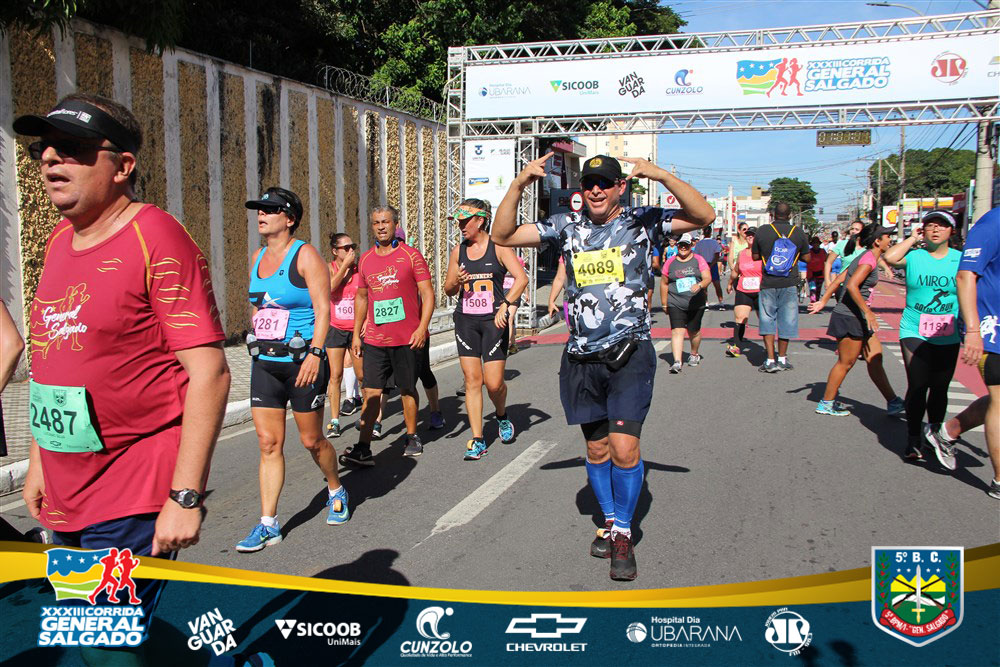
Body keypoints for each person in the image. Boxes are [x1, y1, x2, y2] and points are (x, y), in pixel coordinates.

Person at [15, 93, 230, 656]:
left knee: (100, 642)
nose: (51, 158)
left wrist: (185, 496)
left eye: (73, 148)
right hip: (68, 484)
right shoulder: (59, 242)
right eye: (45, 148)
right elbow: (52, 359)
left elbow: (210, 372)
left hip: (134, 484)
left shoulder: (156, 236)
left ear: (122, 166)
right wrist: (40, 459)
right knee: (89, 629)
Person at [492, 153, 714, 581]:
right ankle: (611, 521)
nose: (596, 189)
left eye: (605, 183)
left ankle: (623, 533)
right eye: (589, 183)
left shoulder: (643, 221)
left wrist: (660, 174)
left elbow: (703, 215)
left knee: (624, 449)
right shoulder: (565, 227)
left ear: (620, 188)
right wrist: (519, 183)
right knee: (596, 450)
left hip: (630, 352)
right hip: (581, 357)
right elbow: (502, 234)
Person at [238, 187, 349, 552]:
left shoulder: (305, 255)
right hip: (265, 364)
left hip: (302, 365)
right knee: (268, 443)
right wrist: (256, 330)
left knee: (311, 440)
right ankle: (268, 523)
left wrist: (316, 353)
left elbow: (323, 308)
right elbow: (258, 305)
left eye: (269, 210)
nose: (261, 215)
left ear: (289, 218)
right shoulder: (257, 257)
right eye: (259, 209)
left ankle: (336, 487)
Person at [342, 206, 435, 464]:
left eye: (385, 222)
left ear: (395, 224)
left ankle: (412, 435)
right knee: (371, 392)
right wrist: (356, 334)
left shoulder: (411, 256)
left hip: (406, 338)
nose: (381, 227)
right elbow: (362, 297)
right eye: (376, 223)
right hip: (375, 339)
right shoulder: (366, 260)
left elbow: (427, 294)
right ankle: (363, 447)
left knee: (407, 388)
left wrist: (422, 328)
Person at [444, 198, 528, 460]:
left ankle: (501, 416)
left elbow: (522, 279)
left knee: (493, 384)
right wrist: (456, 282)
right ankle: (477, 439)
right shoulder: (458, 252)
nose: (460, 226)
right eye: (458, 222)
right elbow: (448, 289)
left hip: (493, 322)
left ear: (480, 221)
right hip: (466, 321)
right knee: (472, 380)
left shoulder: (499, 247)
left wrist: (506, 304)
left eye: (464, 221)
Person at [882, 212, 962, 464]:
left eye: (942, 226)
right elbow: (889, 257)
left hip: (948, 332)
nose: (935, 230)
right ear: (922, 231)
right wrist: (912, 238)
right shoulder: (915, 256)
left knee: (940, 387)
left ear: (952, 231)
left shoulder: (960, 260)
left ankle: (935, 435)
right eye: (930, 226)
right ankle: (913, 438)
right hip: (914, 329)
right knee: (918, 385)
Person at [808, 222, 903, 417]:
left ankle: (893, 401)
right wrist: (867, 312)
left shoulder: (866, 257)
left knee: (875, 358)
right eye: (887, 237)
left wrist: (823, 301)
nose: (890, 240)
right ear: (877, 241)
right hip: (850, 316)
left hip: (857, 316)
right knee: (846, 362)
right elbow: (851, 285)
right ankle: (826, 403)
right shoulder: (867, 260)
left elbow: (839, 279)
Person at [953, 206, 1000, 498]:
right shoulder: (993, 222)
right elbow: (965, 276)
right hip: (992, 328)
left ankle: (949, 430)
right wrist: (973, 330)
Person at [752, 203, 811, 372]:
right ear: (790, 215)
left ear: (772, 214)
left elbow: (755, 256)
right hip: (789, 282)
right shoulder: (798, 232)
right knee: (787, 320)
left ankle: (770, 360)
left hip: (768, 282)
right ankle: (783, 359)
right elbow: (807, 258)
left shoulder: (762, 231)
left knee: (767, 319)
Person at [325, 232, 362, 438]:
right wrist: (344, 267)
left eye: (352, 247)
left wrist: (366, 321)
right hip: (336, 328)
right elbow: (329, 288)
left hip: (356, 329)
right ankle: (334, 421)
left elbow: (367, 297)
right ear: (335, 251)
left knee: (362, 375)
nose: (350, 251)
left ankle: (367, 416)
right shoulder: (329, 268)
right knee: (335, 375)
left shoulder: (359, 270)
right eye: (346, 248)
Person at [662, 233, 711, 373]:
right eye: (681, 245)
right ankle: (677, 362)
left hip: (696, 302)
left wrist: (700, 285)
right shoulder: (670, 262)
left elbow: (707, 278)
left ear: (691, 246)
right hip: (675, 301)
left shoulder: (698, 260)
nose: (683, 248)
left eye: (686, 245)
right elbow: (664, 283)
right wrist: (665, 303)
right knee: (677, 331)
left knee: (693, 331)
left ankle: (694, 353)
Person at [726, 227, 762, 357]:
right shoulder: (742, 254)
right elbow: (736, 270)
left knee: (764, 319)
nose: (750, 236)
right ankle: (736, 347)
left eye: (753, 235)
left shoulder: (763, 253)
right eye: (748, 235)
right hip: (744, 290)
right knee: (740, 318)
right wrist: (730, 283)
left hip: (761, 291)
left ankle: (770, 344)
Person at [824, 222, 863, 292]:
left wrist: (884, 267)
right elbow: (829, 262)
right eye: (852, 229)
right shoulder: (842, 244)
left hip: (861, 286)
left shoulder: (866, 246)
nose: (853, 231)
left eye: (857, 229)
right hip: (844, 286)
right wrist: (827, 280)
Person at [693, 232, 724, 308]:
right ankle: (720, 302)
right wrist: (711, 265)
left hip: (703, 265)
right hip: (712, 264)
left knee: (705, 285)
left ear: (703, 233)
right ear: (710, 233)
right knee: (716, 284)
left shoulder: (699, 243)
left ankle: (706, 302)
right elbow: (717, 256)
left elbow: (696, 256)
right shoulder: (714, 242)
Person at [806, 236, 827, 302]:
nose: (815, 244)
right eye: (814, 243)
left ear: (819, 244)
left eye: (817, 243)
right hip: (811, 275)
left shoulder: (823, 251)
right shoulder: (809, 252)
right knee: (812, 290)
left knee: (818, 291)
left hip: (820, 275)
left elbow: (826, 261)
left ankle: (816, 303)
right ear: (812, 244)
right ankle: (812, 303)